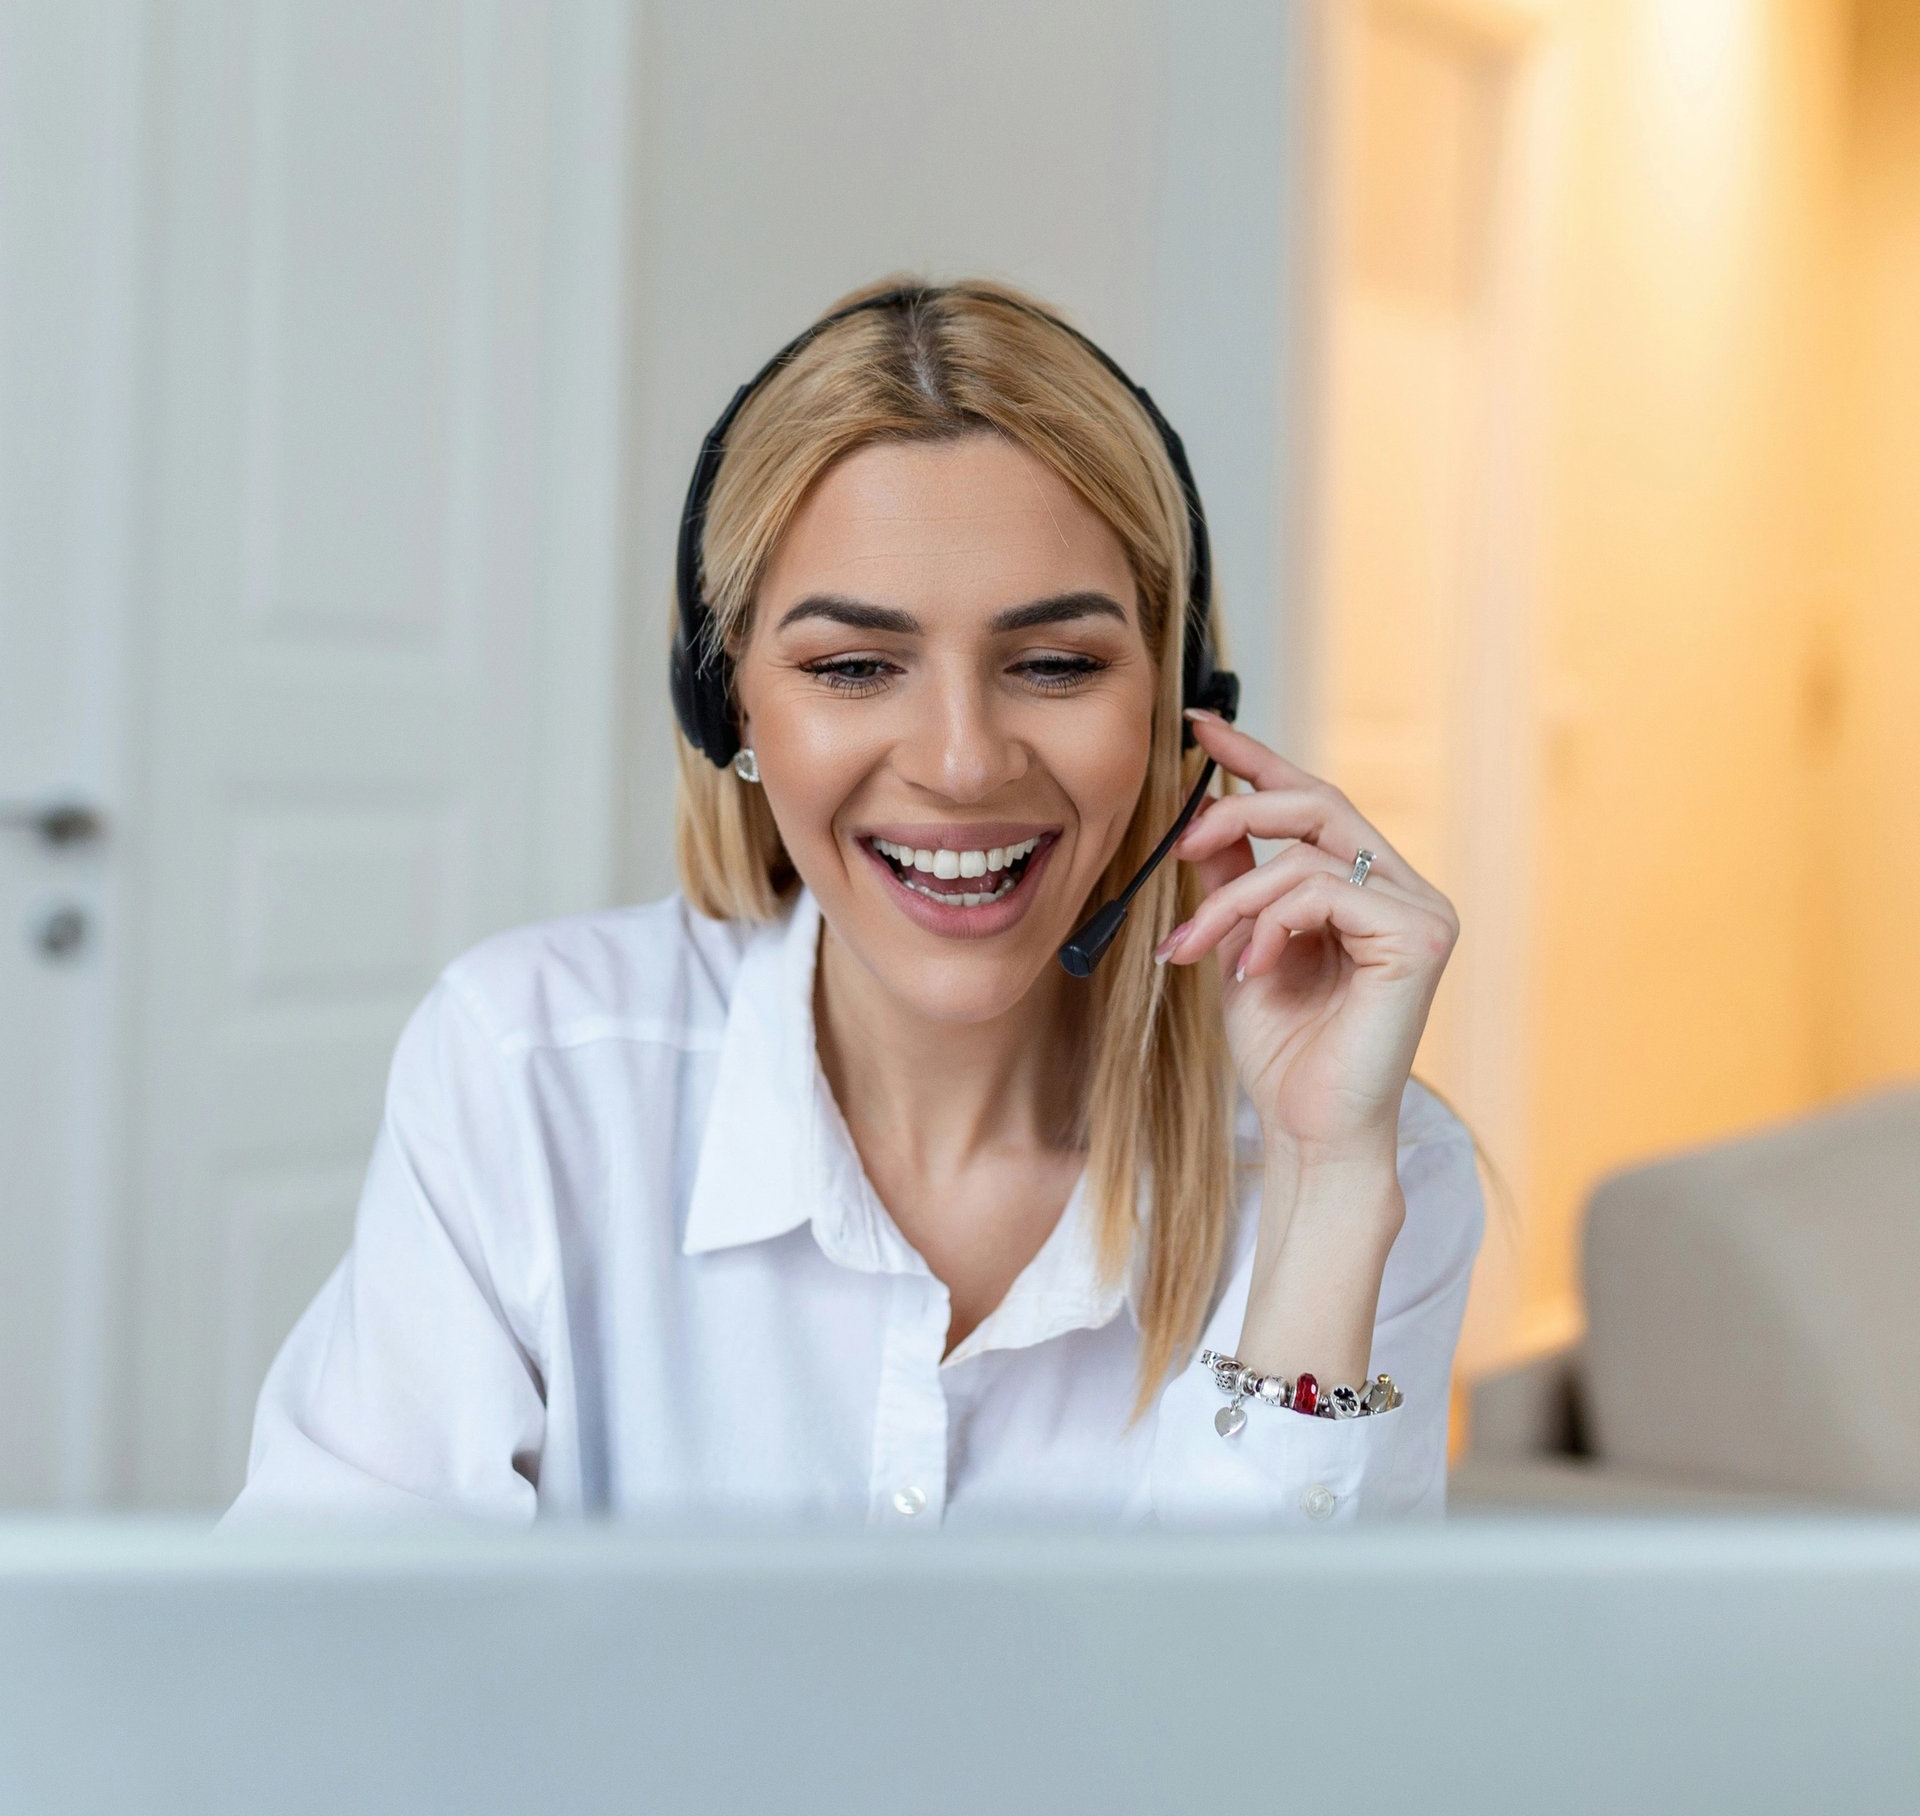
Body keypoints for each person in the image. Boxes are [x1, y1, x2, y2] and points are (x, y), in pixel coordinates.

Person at [221, 277, 1484, 1530]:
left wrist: (1323, 1191)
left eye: (1053, 665)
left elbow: (1281, 1720)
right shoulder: (532, 1071)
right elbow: (325, 1662)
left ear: (1173, 708)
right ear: (729, 713)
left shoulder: (1365, 1156)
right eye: (854, 667)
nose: (962, 762)